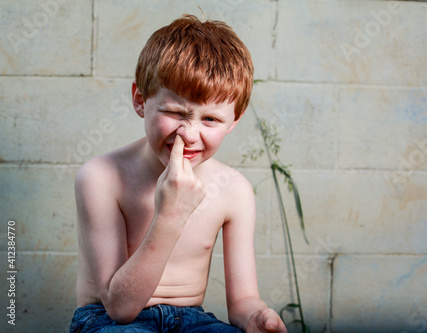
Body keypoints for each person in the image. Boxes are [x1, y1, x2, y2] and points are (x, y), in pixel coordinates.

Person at [69, 14, 288, 333]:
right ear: (140, 100)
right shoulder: (100, 177)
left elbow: (242, 300)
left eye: (211, 119)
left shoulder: (234, 190)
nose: (188, 133)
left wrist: (257, 316)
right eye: (174, 112)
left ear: (234, 121)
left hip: (192, 321)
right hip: (109, 320)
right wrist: (171, 215)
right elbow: (120, 308)